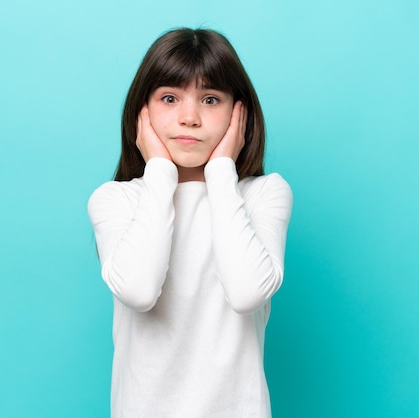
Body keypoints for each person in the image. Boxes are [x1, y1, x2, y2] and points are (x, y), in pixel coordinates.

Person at [88, 27, 293, 418]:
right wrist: (160, 170)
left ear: (241, 115)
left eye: (210, 99)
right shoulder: (116, 200)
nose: (189, 117)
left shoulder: (264, 195)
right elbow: (139, 290)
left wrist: (220, 171)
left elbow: (247, 293)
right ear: (141, 113)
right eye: (169, 98)